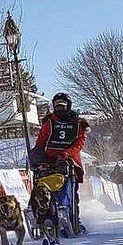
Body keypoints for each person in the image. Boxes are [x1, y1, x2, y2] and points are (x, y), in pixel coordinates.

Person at [31, 92, 91, 233]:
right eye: (57, 106)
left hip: (70, 162)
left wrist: (66, 153)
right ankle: (44, 213)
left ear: (68, 106)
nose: (60, 108)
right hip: (49, 161)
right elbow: (41, 141)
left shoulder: (78, 123)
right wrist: (38, 157)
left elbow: (80, 143)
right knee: (44, 185)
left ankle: (72, 217)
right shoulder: (49, 122)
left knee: (69, 190)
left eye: (63, 106)